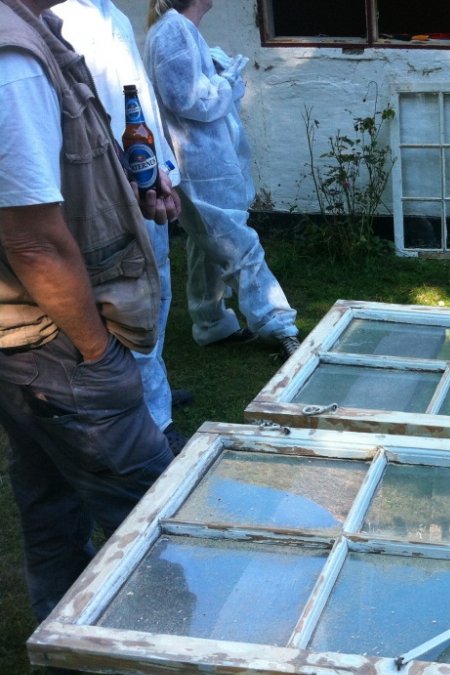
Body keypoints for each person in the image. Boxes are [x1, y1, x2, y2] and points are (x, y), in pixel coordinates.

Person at [0, 0, 181, 630]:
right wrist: (98, 353)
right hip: (55, 339)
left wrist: (133, 188)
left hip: (27, 336)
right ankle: (173, 644)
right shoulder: (14, 59)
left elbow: (49, 180)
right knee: (149, 501)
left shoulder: (35, 33)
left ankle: (62, 634)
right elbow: (33, 240)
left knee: (47, 487)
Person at [52, 0, 191, 455]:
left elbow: (139, 103)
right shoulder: (64, 17)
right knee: (129, 301)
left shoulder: (113, 14)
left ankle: (155, 389)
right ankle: (152, 421)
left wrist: (164, 172)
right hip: (109, 190)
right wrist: (117, 181)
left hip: (146, 180)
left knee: (157, 291)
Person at [144, 0, 301, 360]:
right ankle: (279, 324)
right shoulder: (172, 29)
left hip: (202, 157)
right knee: (237, 243)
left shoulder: (178, 28)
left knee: (206, 242)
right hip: (198, 160)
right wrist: (225, 81)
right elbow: (186, 99)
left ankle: (211, 323)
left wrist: (218, 75)